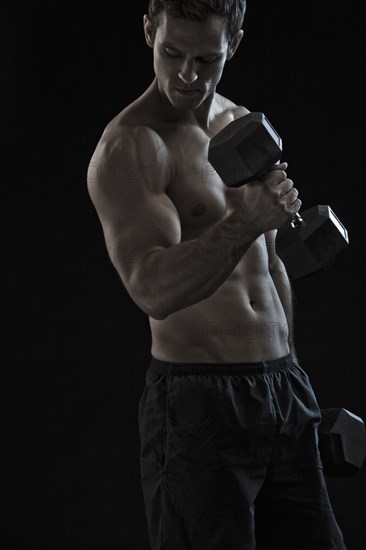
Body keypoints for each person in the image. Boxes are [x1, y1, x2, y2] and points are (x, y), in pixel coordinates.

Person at [87, 1, 347, 548]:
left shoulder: (243, 125)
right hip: (198, 406)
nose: (187, 74)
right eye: (172, 52)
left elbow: (271, 262)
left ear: (235, 43)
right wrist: (247, 221)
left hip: (282, 389)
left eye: (207, 58)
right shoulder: (132, 147)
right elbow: (151, 287)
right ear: (148, 31)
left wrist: (291, 375)